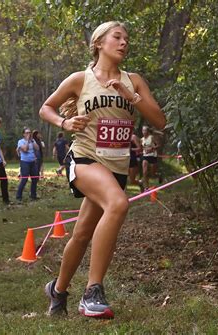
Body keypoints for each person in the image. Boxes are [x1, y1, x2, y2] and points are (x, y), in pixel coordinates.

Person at [39, 21, 165, 319]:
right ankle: (92, 291)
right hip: (84, 159)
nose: (124, 43)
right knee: (119, 204)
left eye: (127, 39)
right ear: (99, 43)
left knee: (82, 234)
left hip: (117, 167)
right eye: (117, 37)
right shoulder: (80, 79)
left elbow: (159, 121)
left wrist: (130, 95)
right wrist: (65, 123)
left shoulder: (134, 80)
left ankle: (58, 291)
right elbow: (46, 108)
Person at [16, 127, 40, 201]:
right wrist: (27, 141)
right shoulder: (21, 141)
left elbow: (37, 148)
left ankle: (33, 195)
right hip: (25, 162)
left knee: (35, 179)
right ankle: (18, 196)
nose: (28, 134)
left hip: (33, 162)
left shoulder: (32, 141)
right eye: (27, 133)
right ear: (23, 134)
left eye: (29, 133)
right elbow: (25, 150)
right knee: (24, 179)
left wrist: (32, 141)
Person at [141, 125, 159, 190]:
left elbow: (158, 145)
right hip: (145, 156)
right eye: (143, 130)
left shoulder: (151, 137)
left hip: (152, 156)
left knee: (152, 174)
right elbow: (142, 147)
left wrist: (151, 148)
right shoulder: (142, 139)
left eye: (145, 130)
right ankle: (146, 187)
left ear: (148, 131)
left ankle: (158, 175)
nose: (144, 132)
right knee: (144, 172)